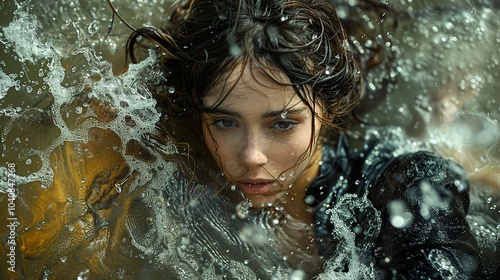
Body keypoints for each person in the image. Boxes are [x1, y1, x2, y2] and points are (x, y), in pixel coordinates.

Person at [125, 0, 490, 278]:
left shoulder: (408, 188)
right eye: (224, 122)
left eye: (282, 124)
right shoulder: (175, 173)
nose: (252, 156)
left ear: (329, 109)